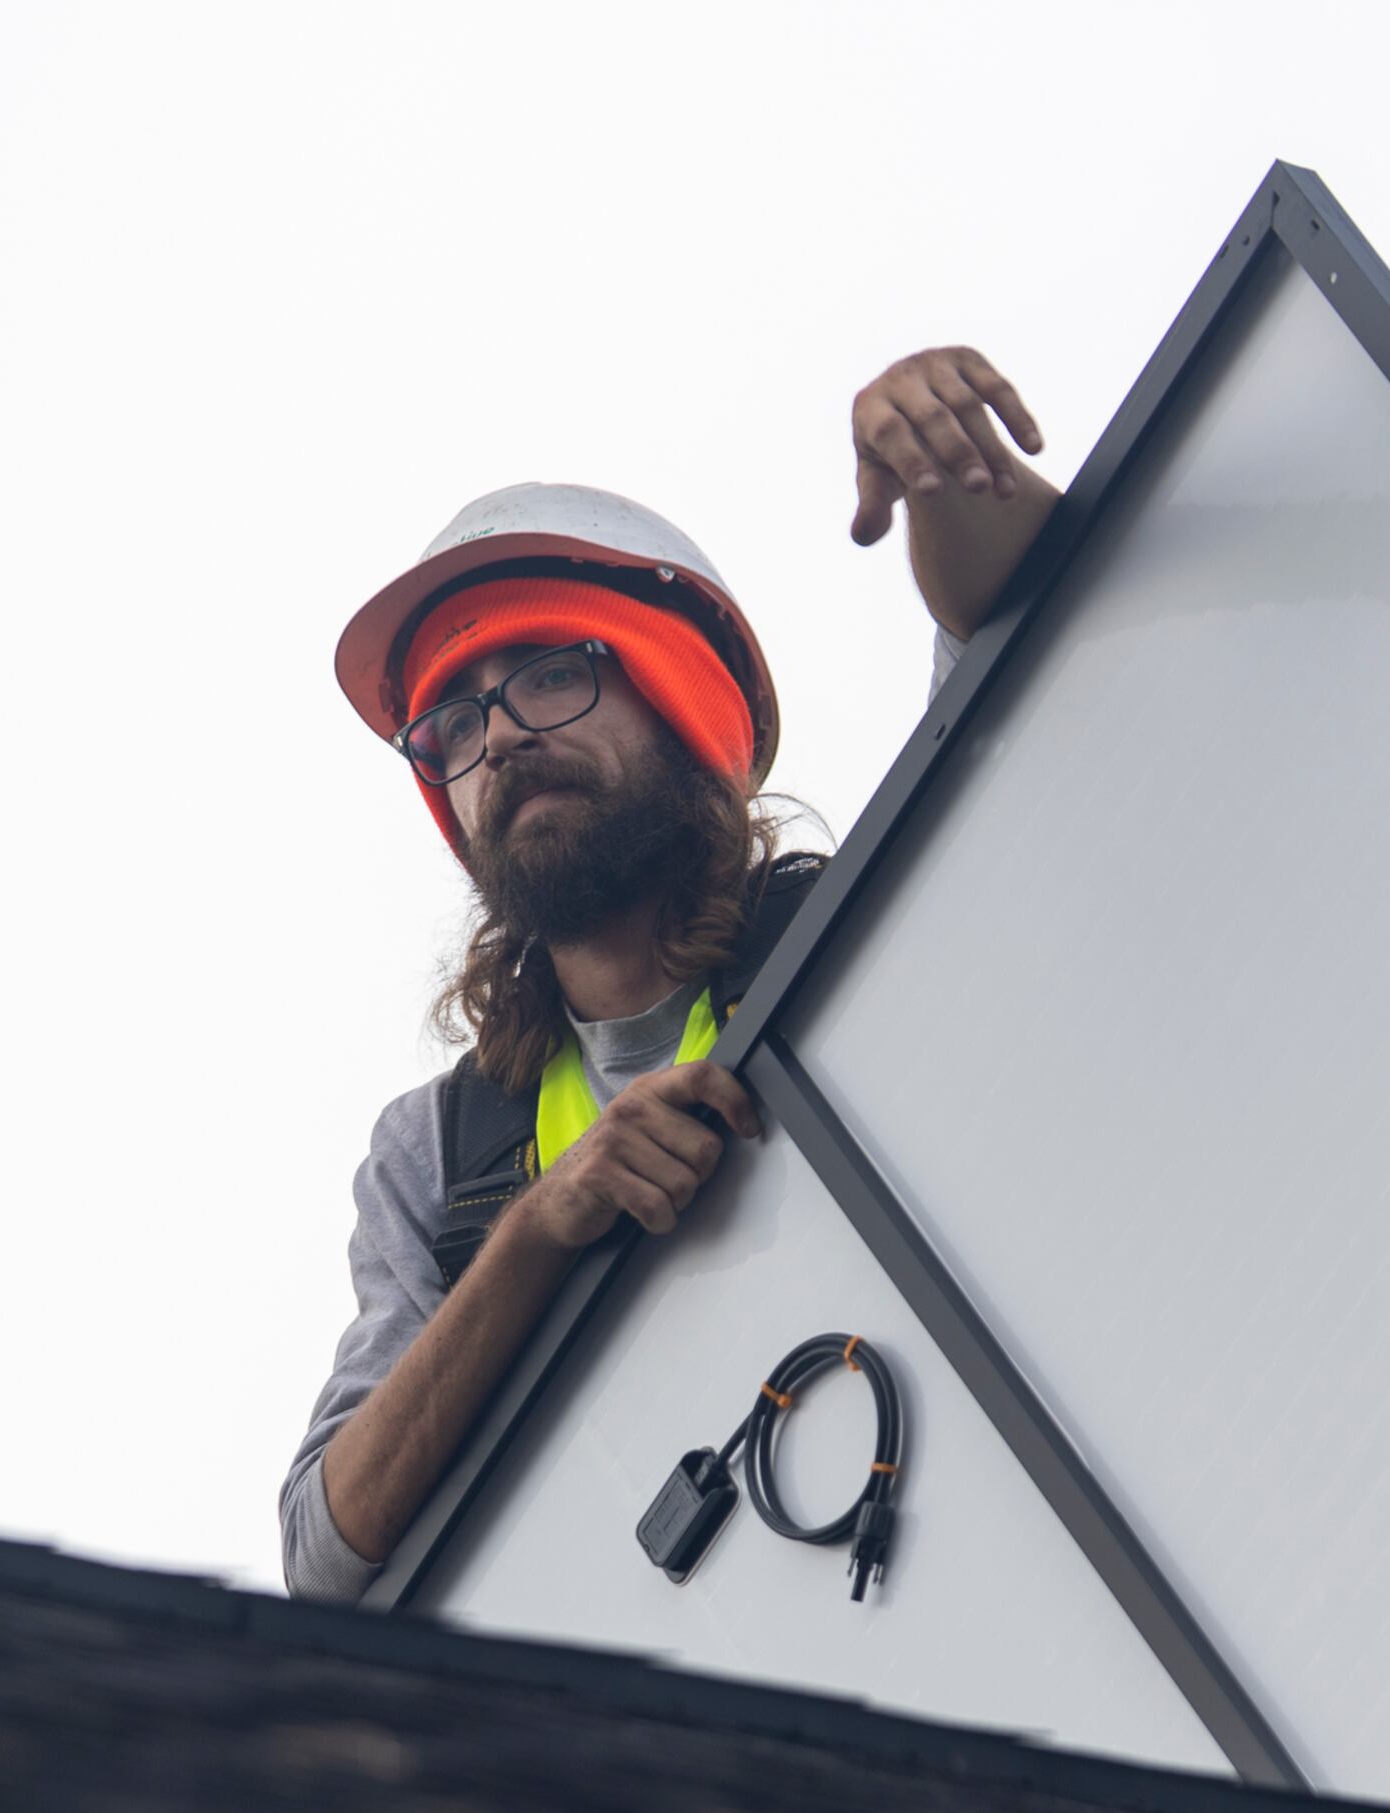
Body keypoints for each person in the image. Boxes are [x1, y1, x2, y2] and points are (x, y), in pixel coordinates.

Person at [280, 348, 1064, 1601]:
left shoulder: (855, 933)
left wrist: (946, 477)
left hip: (987, 1553)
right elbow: (325, 1557)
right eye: (454, 722)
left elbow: (1029, 670)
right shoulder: (438, 1157)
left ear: (678, 696)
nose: (501, 744)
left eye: (547, 672)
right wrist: (542, 1228)